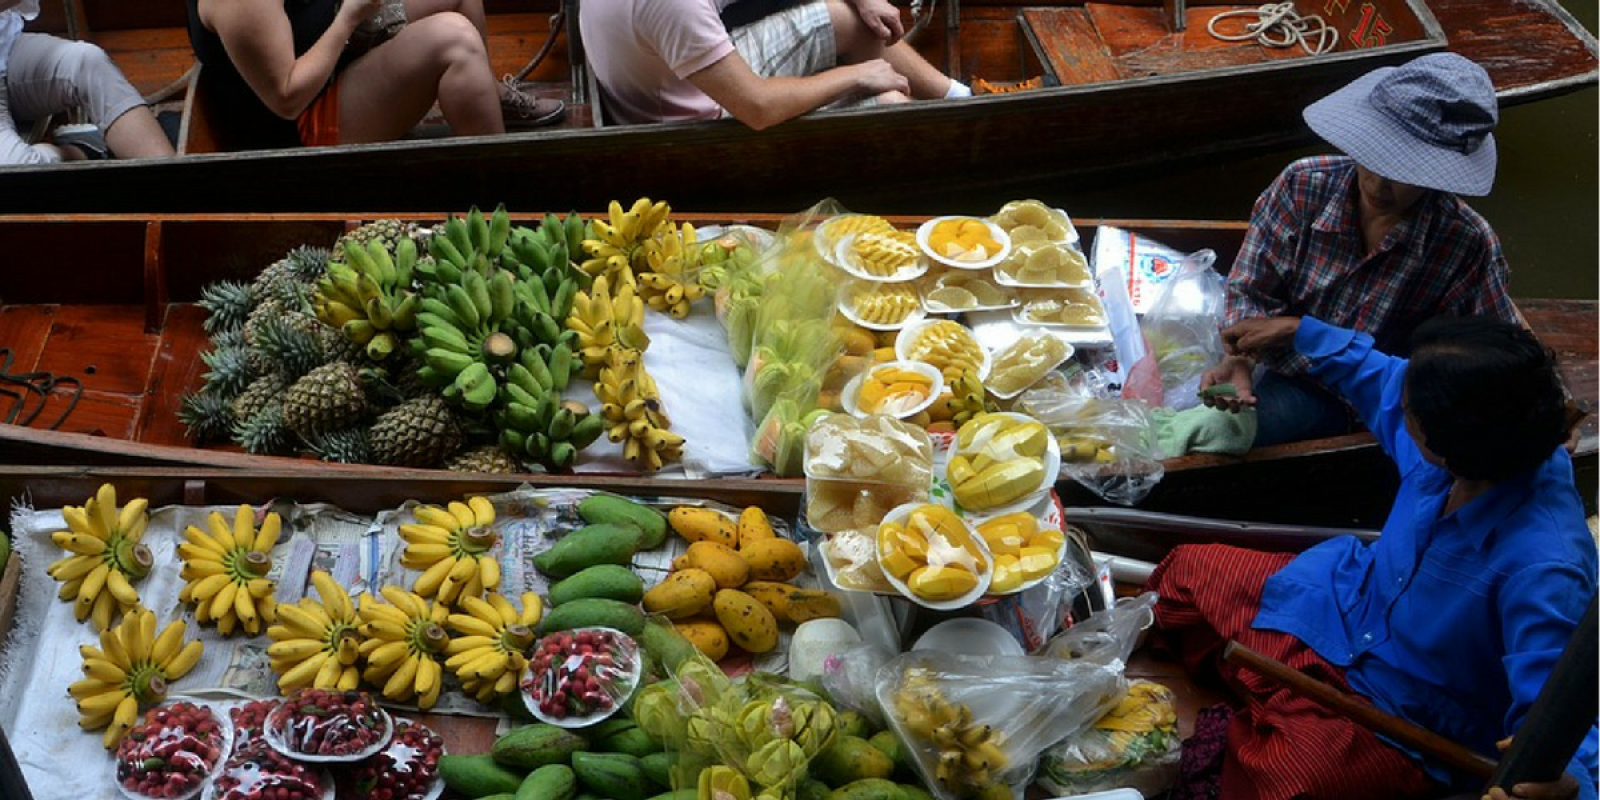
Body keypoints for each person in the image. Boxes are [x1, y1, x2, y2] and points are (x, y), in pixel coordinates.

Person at [1151, 314, 1597, 800]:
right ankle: (1286, 703)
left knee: (1285, 781)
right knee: (1183, 576)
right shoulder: (1465, 440)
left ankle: (1288, 710)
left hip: (1404, 716)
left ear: (1444, 445)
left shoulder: (1546, 567)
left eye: (1407, 413)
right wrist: (1300, 332)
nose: (1395, 407)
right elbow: (1378, 374)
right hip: (1342, 609)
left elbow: (1563, 722)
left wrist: (1561, 786)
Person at [1201, 52, 1517, 447]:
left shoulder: (1465, 242)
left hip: (1367, 398)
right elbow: (1251, 289)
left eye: (1407, 172)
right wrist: (1241, 357)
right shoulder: (1303, 185)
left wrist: (1551, 411)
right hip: (1281, 362)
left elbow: (1497, 353)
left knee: (1225, 435)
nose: (1380, 184)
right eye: (1375, 155)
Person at [188, 0, 563, 149]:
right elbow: (287, 97)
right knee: (455, 40)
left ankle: (490, 96)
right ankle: (501, 212)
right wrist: (349, 17)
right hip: (300, 126)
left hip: (331, 53)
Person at [580, 0, 969, 130]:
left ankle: (959, 100)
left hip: (689, 72)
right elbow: (758, 108)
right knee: (890, 110)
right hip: (694, 119)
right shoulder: (674, 5)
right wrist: (856, 75)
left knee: (852, 18)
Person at [0, 0, 175, 164]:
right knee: (21, 167)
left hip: (6, 51)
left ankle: (179, 182)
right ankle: (77, 151)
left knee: (87, 62)